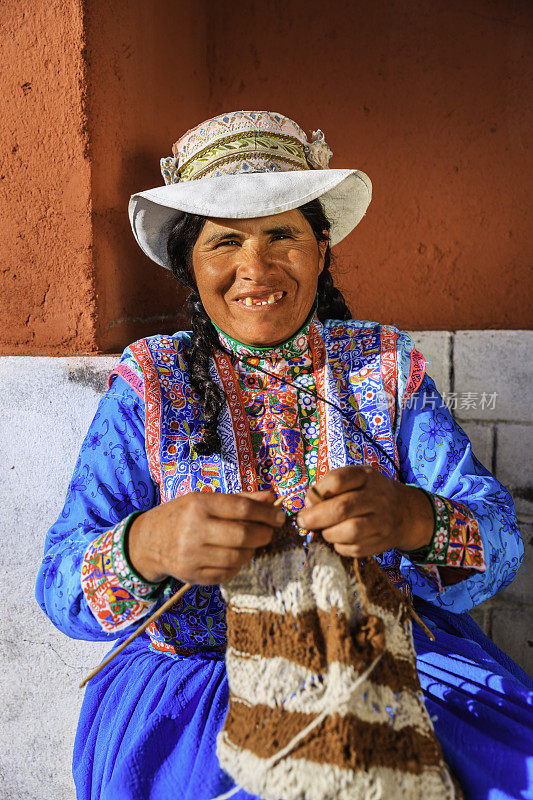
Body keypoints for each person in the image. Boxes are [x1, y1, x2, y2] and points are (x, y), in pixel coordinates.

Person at [36, 111, 533, 800]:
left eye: (282, 236)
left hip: (391, 659)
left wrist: (412, 519)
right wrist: (149, 545)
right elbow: (59, 585)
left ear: (320, 249)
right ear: (188, 261)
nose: (255, 268)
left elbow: (500, 545)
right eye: (224, 243)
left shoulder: (382, 364)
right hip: (199, 688)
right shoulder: (150, 379)